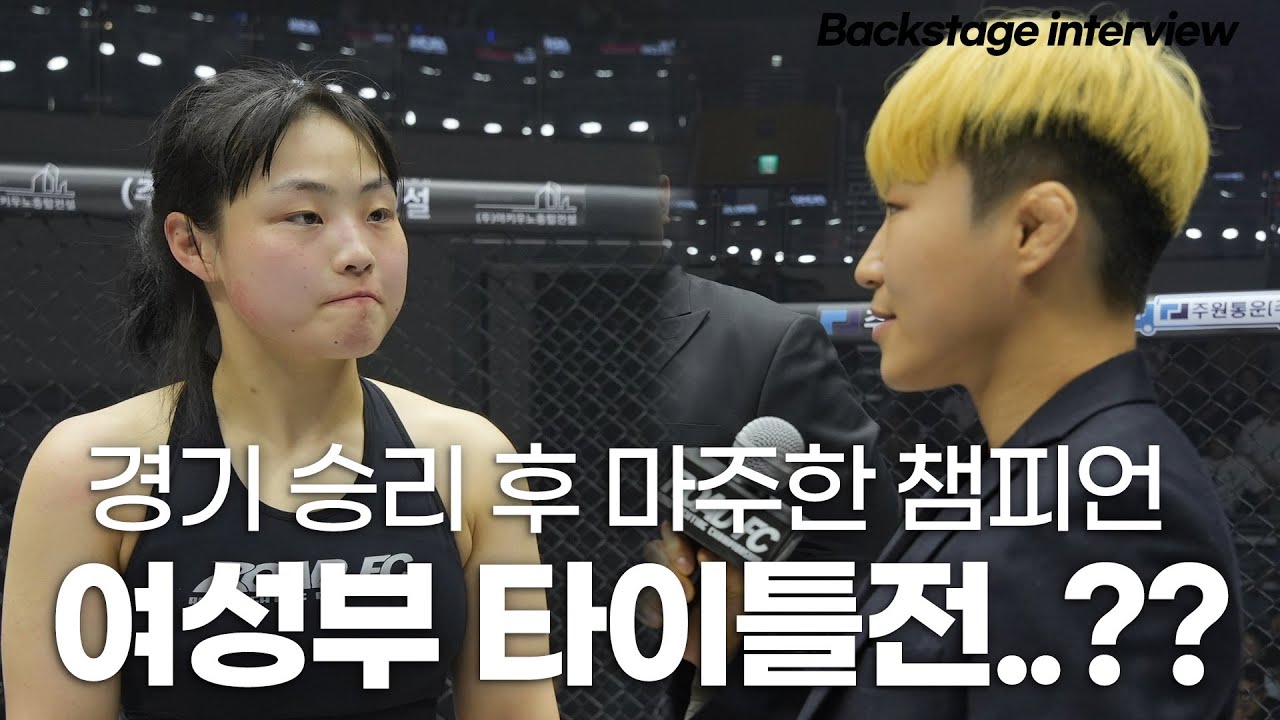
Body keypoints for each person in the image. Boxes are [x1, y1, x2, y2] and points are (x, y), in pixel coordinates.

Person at [1, 64, 559, 720]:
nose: (358, 251)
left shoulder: (470, 460)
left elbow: (517, 708)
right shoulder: (93, 471)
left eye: (379, 213)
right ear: (193, 244)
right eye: (305, 216)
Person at [790, 8, 1243, 719]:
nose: (868, 265)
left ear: (1034, 229)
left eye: (897, 208)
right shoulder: (1045, 482)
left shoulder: (1098, 512)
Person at [638, 171, 901, 719]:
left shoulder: (765, 340)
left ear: (661, 197)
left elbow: (871, 564)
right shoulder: (499, 325)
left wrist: (737, 633)